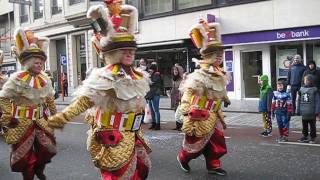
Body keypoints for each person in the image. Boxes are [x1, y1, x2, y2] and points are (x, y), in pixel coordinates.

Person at [48, 2, 151, 179]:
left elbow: (137, 102)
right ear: (114, 53)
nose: (128, 53)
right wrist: (62, 117)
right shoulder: (104, 77)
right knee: (117, 173)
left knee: (141, 169)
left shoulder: (138, 76)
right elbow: (84, 101)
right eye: (123, 50)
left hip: (134, 133)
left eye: (131, 50)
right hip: (113, 135)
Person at [0, 27, 57, 180]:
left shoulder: (45, 78)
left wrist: (56, 116)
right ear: (28, 62)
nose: (40, 65)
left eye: (41, 62)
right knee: (23, 156)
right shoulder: (16, 78)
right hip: (20, 122)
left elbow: (49, 98)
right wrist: (8, 115)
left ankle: (39, 167)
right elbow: (3, 97)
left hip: (40, 120)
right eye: (36, 62)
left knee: (49, 148)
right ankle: (29, 176)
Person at [177, 18, 230, 176]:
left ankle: (213, 165)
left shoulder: (221, 73)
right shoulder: (199, 75)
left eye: (220, 54)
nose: (219, 57)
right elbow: (188, 92)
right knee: (195, 144)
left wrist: (225, 99)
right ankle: (183, 157)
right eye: (216, 54)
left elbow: (219, 90)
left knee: (218, 142)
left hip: (215, 114)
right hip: (199, 115)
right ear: (207, 56)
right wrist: (185, 108)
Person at [296, 74, 320, 144]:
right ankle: (305, 136)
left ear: (310, 81)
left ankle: (312, 137)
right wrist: (298, 110)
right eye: (305, 80)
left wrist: (317, 111)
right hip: (304, 111)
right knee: (304, 125)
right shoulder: (301, 89)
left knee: (312, 126)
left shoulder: (315, 90)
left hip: (312, 111)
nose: (305, 81)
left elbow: (317, 101)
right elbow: (299, 100)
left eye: (306, 80)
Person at [146, 64, 161, 130]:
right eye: (149, 69)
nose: (150, 70)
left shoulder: (156, 75)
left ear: (154, 69)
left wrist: (147, 79)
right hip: (150, 95)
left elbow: (152, 83)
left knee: (156, 110)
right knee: (152, 110)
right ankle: (153, 123)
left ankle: (158, 124)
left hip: (155, 94)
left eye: (151, 69)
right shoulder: (151, 75)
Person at [170, 64, 184, 130]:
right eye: (174, 70)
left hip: (179, 96)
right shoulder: (173, 78)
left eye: (176, 70)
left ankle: (181, 125)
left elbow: (182, 89)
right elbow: (173, 87)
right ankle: (177, 126)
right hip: (174, 96)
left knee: (180, 111)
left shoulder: (181, 79)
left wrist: (181, 97)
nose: (175, 71)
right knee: (175, 110)